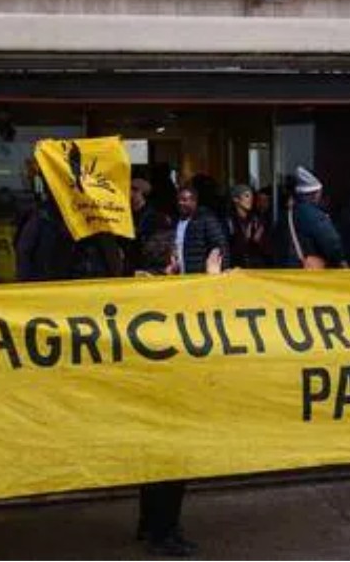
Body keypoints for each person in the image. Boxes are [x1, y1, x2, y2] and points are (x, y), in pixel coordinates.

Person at [133, 230, 218, 558]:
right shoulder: (168, 293)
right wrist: (211, 280)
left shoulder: (133, 289)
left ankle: (148, 524)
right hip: (169, 390)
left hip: (145, 389)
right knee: (172, 467)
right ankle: (165, 532)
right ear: (170, 261)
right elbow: (199, 319)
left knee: (151, 464)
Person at [280, 166, 347, 269]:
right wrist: (339, 261)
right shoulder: (315, 216)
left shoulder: (286, 214)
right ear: (316, 193)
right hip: (308, 273)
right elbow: (332, 245)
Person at [174, 185, 228, 274]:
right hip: (181, 275)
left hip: (201, 276)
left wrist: (220, 271)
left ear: (194, 201)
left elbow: (220, 247)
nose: (180, 203)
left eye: (184, 200)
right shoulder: (175, 222)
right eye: (178, 200)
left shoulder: (206, 220)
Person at [125, 177, 171, 275]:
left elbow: (159, 245)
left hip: (148, 269)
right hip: (130, 268)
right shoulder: (126, 214)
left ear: (141, 193)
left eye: (134, 190)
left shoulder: (155, 218)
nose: (130, 194)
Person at [226, 184, 273, 268]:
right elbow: (228, 248)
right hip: (236, 268)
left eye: (252, 196)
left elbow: (267, 249)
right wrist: (246, 239)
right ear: (235, 199)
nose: (250, 199)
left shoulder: (256, 220)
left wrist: (258, 240)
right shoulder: (228, 221)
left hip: (256, 268)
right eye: (246, 196)